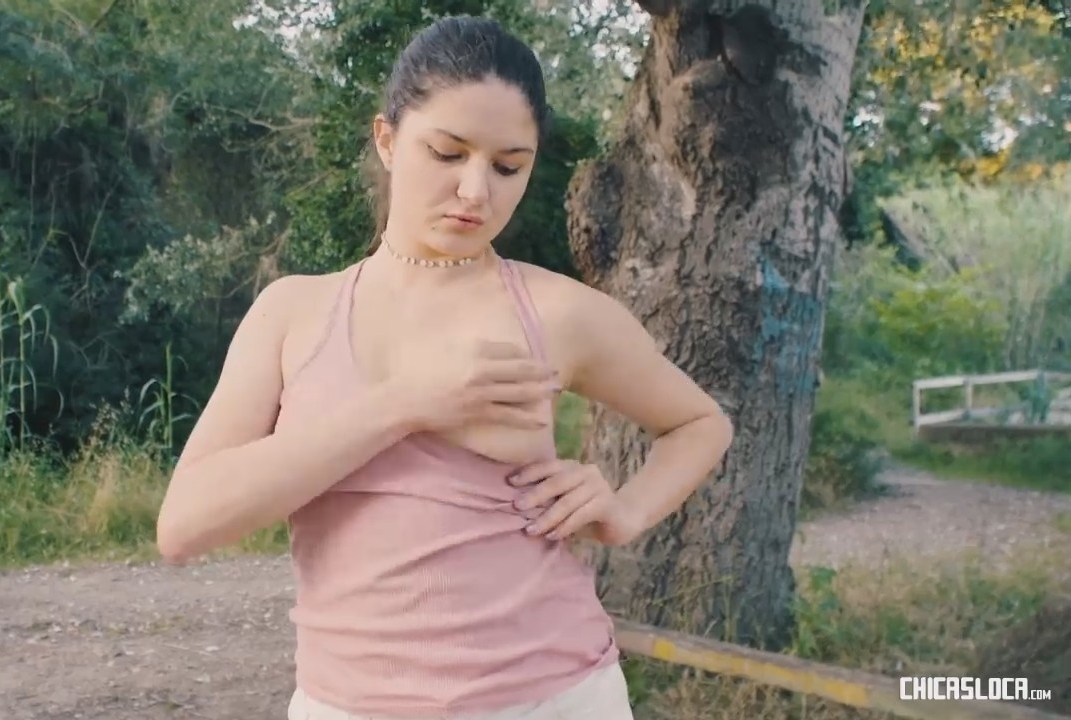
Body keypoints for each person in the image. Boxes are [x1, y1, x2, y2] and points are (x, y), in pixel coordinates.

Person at [155, 14, 733, 720]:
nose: (475, 191)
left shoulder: (558, 312)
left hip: (553, 698)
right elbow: (184, 526)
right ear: (387, 139)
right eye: (447, 153)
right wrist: (406, 403)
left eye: (508, 166)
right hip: (346, 705)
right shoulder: (293, 313)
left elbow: (700, 423)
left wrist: (625, 511)